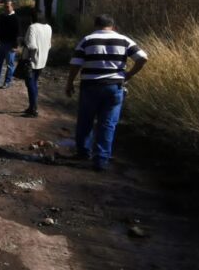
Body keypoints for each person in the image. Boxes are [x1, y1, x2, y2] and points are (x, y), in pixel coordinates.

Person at [65, 14, 148, 171]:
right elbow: (143, 58)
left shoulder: (87, 40)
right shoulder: (124, 40)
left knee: (85, 121)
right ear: (113, 26)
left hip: (90, 86)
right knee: (108, 123)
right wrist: (128, 75)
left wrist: (69, 83)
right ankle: (101, 160)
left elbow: (76, 64)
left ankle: (83, 152)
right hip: (114, 87)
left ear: (96, 25)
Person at [20, 9, 52, 117]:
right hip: (42, 60)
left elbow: (31, 45)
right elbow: (49, 45)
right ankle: (31, 106)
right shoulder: (48, 27)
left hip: (31, 60)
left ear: (32, 18)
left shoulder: (32, 27)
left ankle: (34, 108)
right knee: (34, 83)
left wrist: (22, 42)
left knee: (30, 84)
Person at [0, 0, 22, 88]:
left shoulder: (16, 18)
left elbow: (17, 33)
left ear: (12, 7)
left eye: (7, 6)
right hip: (2, 44)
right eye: (5, 6)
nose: (5, 8)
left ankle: (7, 82)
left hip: (10, 45)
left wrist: (15, 45)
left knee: (10, 65)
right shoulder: (3, 16)